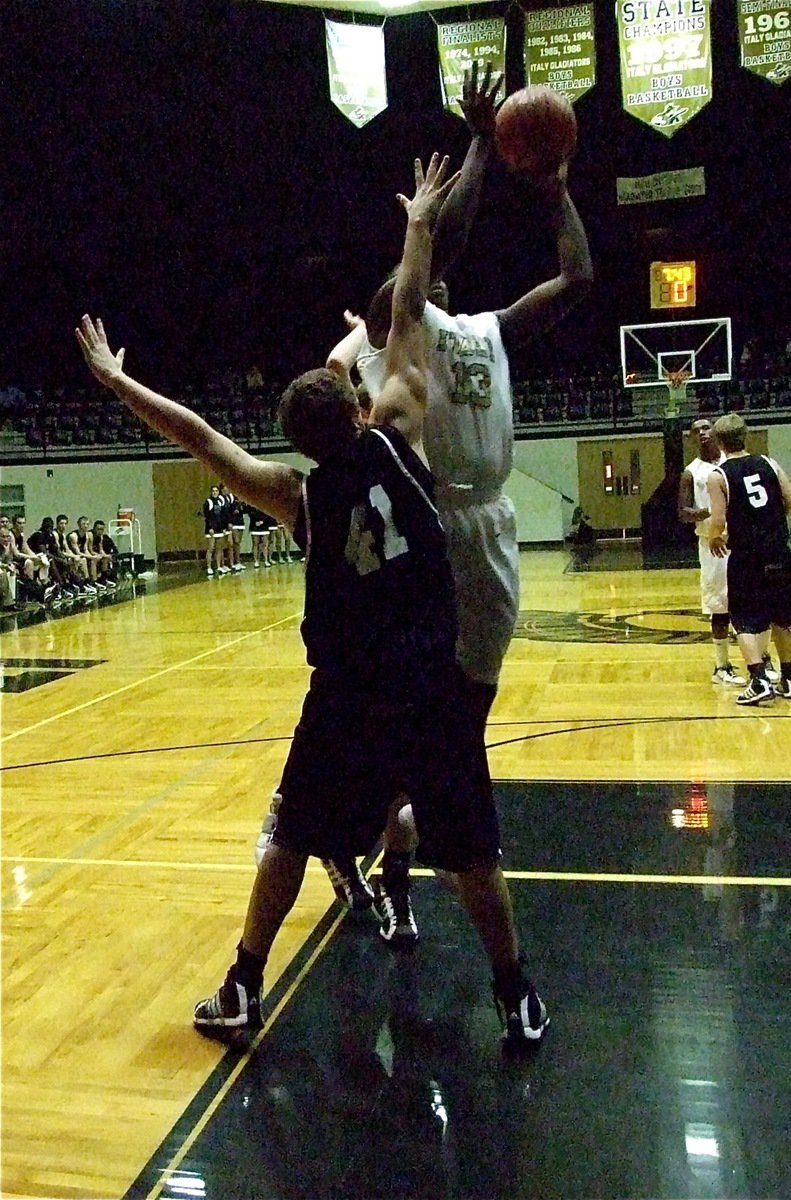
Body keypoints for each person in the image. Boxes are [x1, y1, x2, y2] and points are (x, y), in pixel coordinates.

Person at [75, 152, 549, 1046]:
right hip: (432, 680)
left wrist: (118, 382)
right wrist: (417, 222)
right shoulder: (404, 433)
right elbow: (407, 312)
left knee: (291, 833)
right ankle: (514, 990)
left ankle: (247, 984)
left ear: (301, 440)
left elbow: (203, 437)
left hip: (347, 700)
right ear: (361, 407)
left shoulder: (295, 495)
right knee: (471, 849)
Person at [301, 63, 593, 943]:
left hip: (491, 527)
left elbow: (577, 281)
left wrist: (554, 193)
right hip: (424, 530)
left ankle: (368, 840)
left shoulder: (491, 330)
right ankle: (381, 858)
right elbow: (446, 243)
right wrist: (476, 143)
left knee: (460, 727)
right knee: (421, 732)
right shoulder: (397, 324)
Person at [706, 413, 791, 706]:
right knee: (780, 618)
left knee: (744, 620)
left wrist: (714, 537)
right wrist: (769, 521)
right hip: (779, 551)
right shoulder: (769, 463)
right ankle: (790, 679)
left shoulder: (718, 475)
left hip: (748, 555)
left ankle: (758, 679)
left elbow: (718, 519)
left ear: (720, 442)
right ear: (745, 436)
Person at [678, 419, 744, 687]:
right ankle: (721, 666)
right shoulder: (691, 473)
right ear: (692, 438)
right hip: (711, 544)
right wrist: (709, 512)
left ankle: (760, 660)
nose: (702, 433)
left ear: (716, 433)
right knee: (719, 605)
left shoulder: (731, 463)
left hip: (740, 539)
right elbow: (682, 513)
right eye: (697, 431)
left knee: (749, 601)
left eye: (706, 428)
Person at [202, 484, 223, 576]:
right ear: (211, 492)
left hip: (219, 528)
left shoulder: (220, 501)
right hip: (211, 529)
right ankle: (209, 567)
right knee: (211, 548)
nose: (215, 492)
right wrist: (210, 527)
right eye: (213, 491)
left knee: (219, 549)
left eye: (216, 491)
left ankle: (218, 566)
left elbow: (222, 515)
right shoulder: (208, 502)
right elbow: (207, 517)